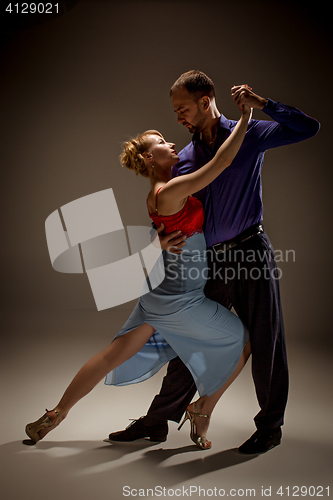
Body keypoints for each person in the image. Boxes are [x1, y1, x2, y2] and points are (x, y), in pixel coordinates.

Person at [108, 71, 320, 454]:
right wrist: (158, 236)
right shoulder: (184, 158)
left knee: (266, 339)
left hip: (251, 251)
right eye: (175, 111)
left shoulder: (250, 133)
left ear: (205, 101)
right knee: (191, 340)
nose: (179, 119)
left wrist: (265, 106)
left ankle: (271, 426)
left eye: (183, 109)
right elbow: (165, 204)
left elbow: (308, 128)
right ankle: (157, 422)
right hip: (209, 261)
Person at [25, 101, 252, 449]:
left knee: (111, 355)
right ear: (148, 158)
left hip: (157, 293)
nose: (171, 142)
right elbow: (221, 162)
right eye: (161, 141)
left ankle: (56, 413)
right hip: (180, 300)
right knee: (245, 341)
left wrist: (155, 245)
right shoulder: (170, 191)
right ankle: (203, 409)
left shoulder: (157, 194)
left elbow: (162, 231)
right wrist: (247, 118)